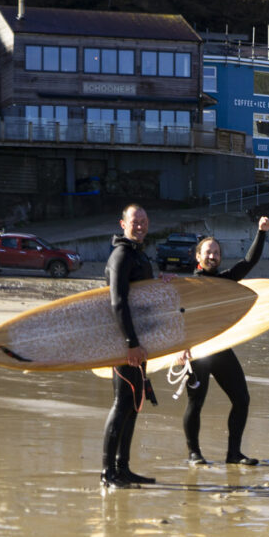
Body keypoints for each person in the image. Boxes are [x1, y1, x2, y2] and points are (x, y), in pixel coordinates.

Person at [180, 216, 269, 466]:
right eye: (208, 252)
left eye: (216, 253)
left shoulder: (225, 281)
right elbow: (174, 319)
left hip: (220, 349)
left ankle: (234, 454)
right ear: (197, 256)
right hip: (196, 351)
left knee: (242, 399)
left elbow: (249, 261)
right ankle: (194, 453)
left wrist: (261, 232)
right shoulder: (186, 285)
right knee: (196, 402)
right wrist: (179, 349)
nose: (212, 257)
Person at [101, 203, 159, 489]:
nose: (141, 225)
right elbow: (118, 303)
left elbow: (143, 296)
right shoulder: (121, 255)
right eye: (135, 221)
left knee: (134, 404)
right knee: (122, 403)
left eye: (144, 221)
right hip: (126, 343)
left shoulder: (138, 255)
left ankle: (123, 469)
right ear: (122, 224)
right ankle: (107, 473)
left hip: (139, 342)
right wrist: (131, 344)